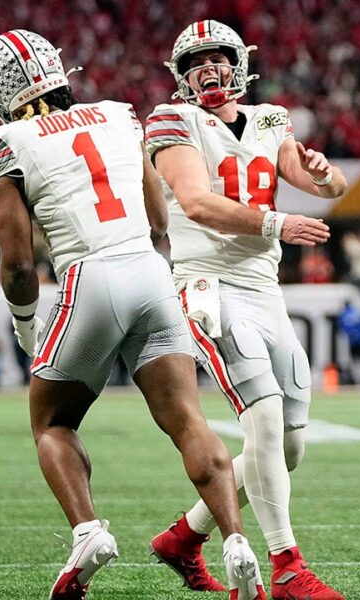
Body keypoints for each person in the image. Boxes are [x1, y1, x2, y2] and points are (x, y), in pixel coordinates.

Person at [0, 29, 269, 600]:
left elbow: (15, 262)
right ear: (57, 69)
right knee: (189, 421)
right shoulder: (115, 114)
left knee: (52, 423)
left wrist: (24, 321)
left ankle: (88, 533)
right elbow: (159, 216)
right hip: (148, 270)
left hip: (88, 277)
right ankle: (236, 540)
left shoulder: (4, 141)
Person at [145, 20, 348, 600]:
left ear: (240, 64)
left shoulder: (268, 118)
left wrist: (323, 174)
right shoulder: (172, 119)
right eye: (197, 63)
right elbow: (196, 201)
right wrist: (277, 222)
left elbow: (321, 185)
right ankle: (286, 566)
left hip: (264, 288)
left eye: (218, 59)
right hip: (209, 283)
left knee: (288, 444)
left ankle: (185, 535)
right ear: (181, 75)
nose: (209, 71)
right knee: (259, 418)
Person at [337, 301, 360, 383]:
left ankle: (358, 379)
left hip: (354, 342)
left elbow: (343, 328)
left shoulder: (345, 314)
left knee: (356, 361)